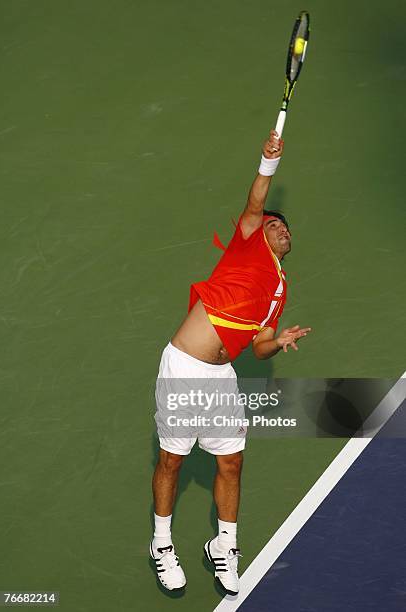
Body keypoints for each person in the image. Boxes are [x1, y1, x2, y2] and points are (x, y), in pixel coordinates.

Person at [150, 131, 311, 594]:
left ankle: (225, 547)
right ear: (258, 231)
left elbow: (257, 347)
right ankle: (162, 544)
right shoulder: (248, 241)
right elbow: (257, 200)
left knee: (232, 464)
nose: (283, 229)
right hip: (184, 365)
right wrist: (267, 161)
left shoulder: (279, 290)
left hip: (222, 376)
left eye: (287, 229)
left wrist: (278, 341)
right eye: (275, 225)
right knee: (171, 460)